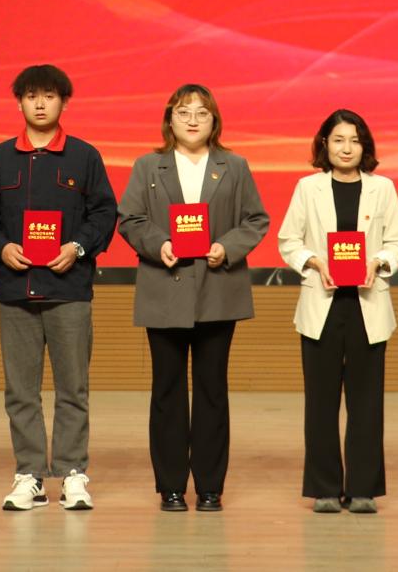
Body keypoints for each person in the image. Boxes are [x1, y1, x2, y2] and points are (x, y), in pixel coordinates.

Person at [115, 84, 272, 513]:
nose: (192, 120)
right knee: (166, 390)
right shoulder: (149, 165)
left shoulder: (234, 166)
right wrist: (159, 244)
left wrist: (226, 247)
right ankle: (170, 486)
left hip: (218, 291)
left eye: (202, 113)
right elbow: (130, 218)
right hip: (163, 290)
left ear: (214, 121)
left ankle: (209, 487)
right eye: (183, 112)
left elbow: (255, 219)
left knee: (211, 390)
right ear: (170, 120)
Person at [0, 65, 118, 512]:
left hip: (69, 290)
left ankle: (72, 473)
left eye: (49, 96)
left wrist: (77, 247)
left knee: (73, 389)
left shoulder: (84, 157)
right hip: (16, 290)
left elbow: (104, 213)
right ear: (19, 101)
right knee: (21, 391)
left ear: (63, 103)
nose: (39, 103)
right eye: (31, 95)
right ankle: (30, 474)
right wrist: (2, 247)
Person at [276, 109, 398, 515]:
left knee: (366, 403)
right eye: (338, 140)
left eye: (354, 140)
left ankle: (363, 488)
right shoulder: (308, 187)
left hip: (368, 304)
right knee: (320, 403)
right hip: (322, 303)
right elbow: (289, 240)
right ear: (325, 145)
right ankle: (325, 488)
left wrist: (379, 262)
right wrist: (314, 261)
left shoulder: (382, 188)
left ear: (364, 146)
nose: (346, 148)